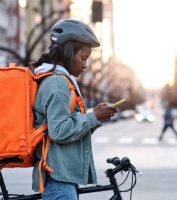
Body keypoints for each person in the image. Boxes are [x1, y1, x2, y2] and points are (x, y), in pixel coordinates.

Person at [31, 19, 118, 200]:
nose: (85, 65)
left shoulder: (63, 81)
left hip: (62, 178)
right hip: (58, 180)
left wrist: (97, 117)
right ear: (69, 53)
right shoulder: (57, 82)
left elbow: (70, 128)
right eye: (83, 58)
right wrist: (93, 116)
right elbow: (60, 131)